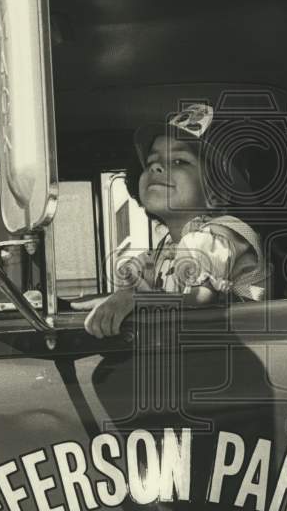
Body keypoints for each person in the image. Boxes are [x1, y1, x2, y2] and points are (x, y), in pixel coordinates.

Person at [85, 103, 265, 338]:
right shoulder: (165, 251)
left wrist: (136, 300)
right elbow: (139, 285)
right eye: (151, 162)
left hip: (243, 350)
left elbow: (201, 298)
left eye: (179, 161)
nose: (157, 167)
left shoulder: (218, 236)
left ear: (215, 194)